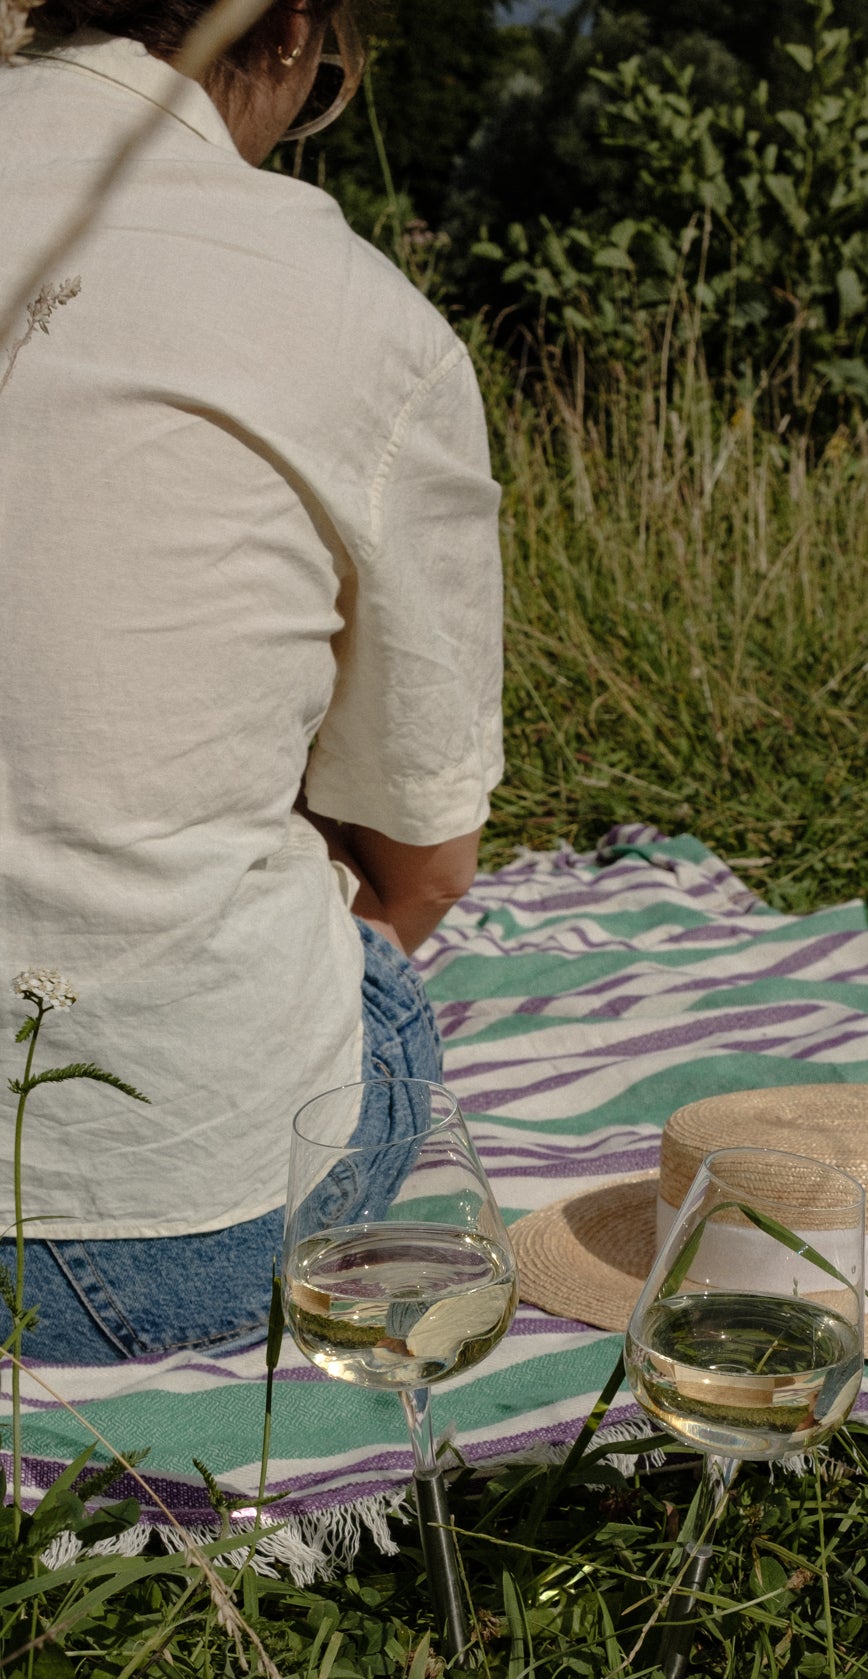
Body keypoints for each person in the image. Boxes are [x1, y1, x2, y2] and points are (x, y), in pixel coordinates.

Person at [0, 0, 504, 1362]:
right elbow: (424, 866)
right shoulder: (343, 306)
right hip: (160, 1231)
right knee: (355, 974)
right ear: (289, 34)